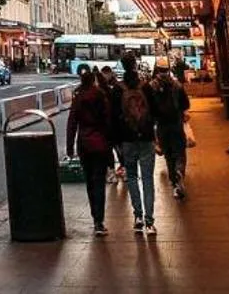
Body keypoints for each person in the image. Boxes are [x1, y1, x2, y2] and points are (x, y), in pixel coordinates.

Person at [64, 66, 115, 237]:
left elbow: (72, 124)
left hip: (84, 144)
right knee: (99, 182)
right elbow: (108, 122)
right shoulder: (100, 96)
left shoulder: (78, 98)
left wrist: (70, 147)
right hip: (100, 144)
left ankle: (95, 216)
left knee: (90, 182)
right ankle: (99, 221)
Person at [111, 53, 158, 235]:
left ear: (122, 66)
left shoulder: (118, 89)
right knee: (147, 179)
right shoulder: (145, 87)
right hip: (145, 138)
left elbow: (114, 118)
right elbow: (154, 111)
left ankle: (137, 215)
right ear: (135, 65)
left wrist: (117, 142)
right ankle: (150, 220)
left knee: (131, 176)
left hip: (127, 140)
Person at [146, 62, 191, 198]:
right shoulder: (177, 85)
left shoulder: (151, 87)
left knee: (168, 154)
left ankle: (174, 182)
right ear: (169, 70)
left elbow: (149, 108)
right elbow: (185, 104)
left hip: (162, 126)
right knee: (180, 152)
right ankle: (179, 171)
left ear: (157, 70)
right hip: (176, 124)